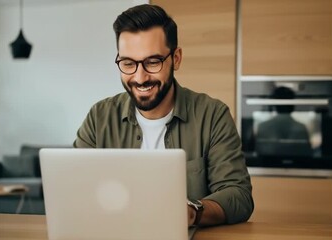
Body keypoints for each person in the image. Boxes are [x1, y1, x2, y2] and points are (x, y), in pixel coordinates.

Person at [73, 4, 253, 227]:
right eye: (128, 63)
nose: (140, 77)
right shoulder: (99, 117)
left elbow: (238, 196)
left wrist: (191, 212)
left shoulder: (213, 115)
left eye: (153, 62)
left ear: (176, 58)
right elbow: (75, 188)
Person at [256, 86, 312, 157]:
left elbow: (256, 151)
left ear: (273, 105)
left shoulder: (262, 126)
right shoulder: (301, 128)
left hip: (264, 166)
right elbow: (308, 154)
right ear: (293, 106)